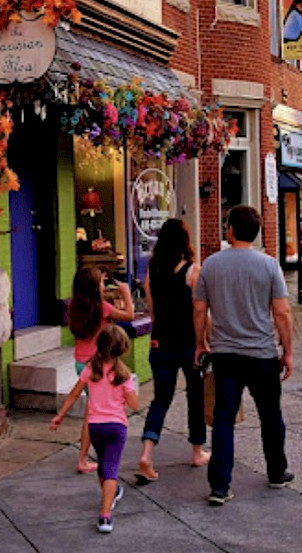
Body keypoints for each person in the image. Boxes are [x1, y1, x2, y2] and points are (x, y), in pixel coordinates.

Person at [193, 205, 295, 505]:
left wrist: (200, 343)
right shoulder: (269, 265)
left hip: (225, 355)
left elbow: (199, 309)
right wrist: (287, 351)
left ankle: (220, 486)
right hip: (262, 353)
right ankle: (277, 471)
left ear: (231, 230)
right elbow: (282, 312)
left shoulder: (210, 265)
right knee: (270, 414)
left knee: (224, 419)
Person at [137, 219, 209, 483]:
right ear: (184, 241)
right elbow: (201, 311)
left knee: (160, 399)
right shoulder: (193, 271)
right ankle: (197, 451)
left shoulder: (152, 270)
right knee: (195, 397)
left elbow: (153, 311)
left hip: (160, 342)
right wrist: (205, 341)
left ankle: (147, 453)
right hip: (188, 344)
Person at [50, 325, 140, 534]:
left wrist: (60, 416)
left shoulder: (92, 369)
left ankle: (113, 492)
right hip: (117, 427)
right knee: (110, 468)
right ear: (122, 349)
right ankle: (105, 515)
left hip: (95, 426)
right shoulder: (123, 375)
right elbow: (134, 404)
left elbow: (73, 394)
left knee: (103, 467)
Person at [68, 266, 134, 474]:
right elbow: (130, 315)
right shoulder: (102, 308)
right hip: (95, 363)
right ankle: (83, 459)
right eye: (100, 282)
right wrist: (125, 292)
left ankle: (86, 456)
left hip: (80, 362)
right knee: (93, 413)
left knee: (93, 409)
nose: (103, 285)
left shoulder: (75, 307)